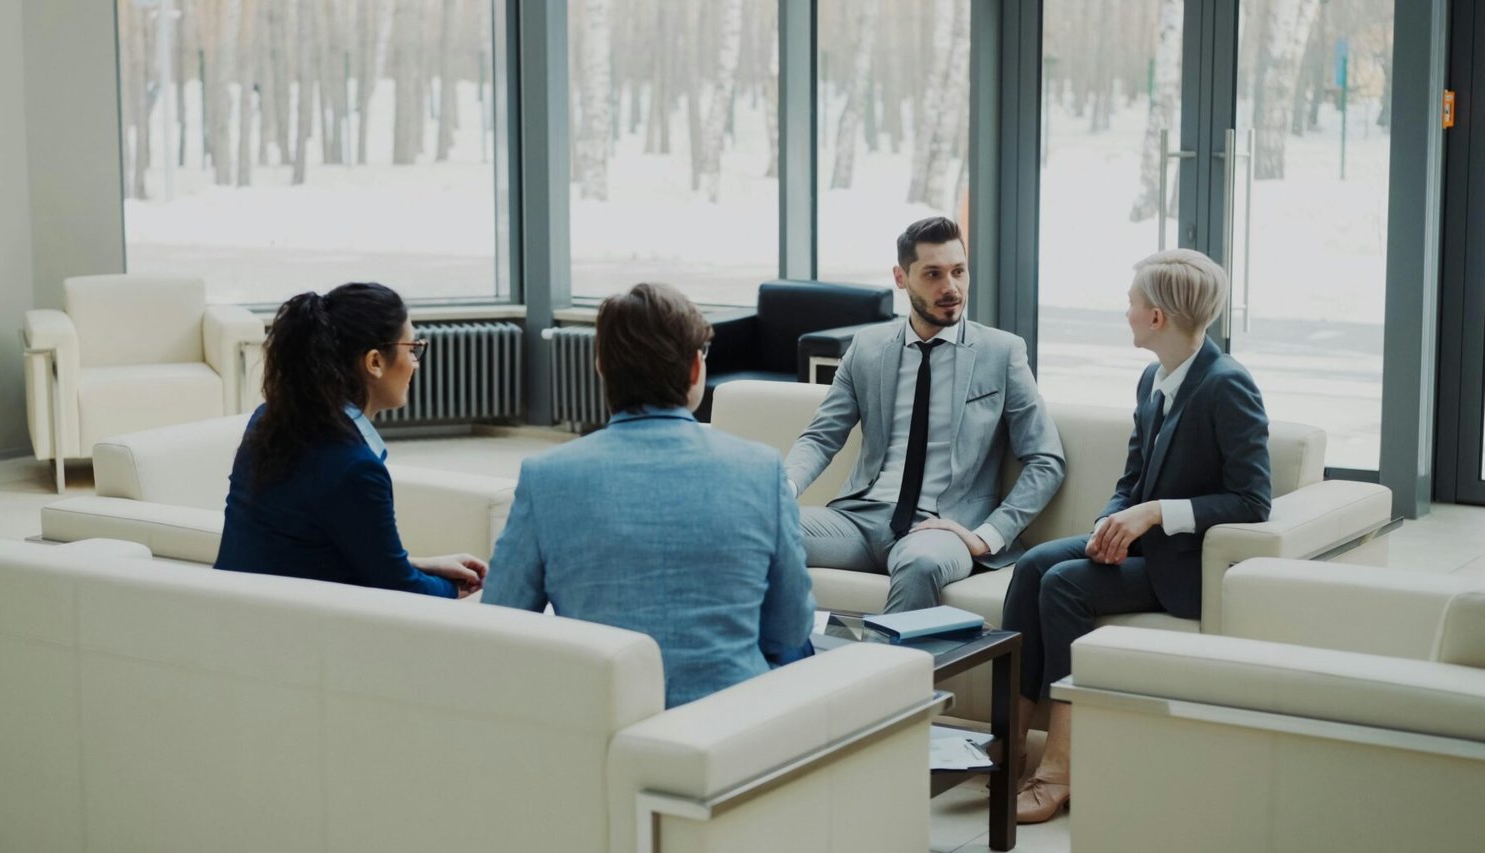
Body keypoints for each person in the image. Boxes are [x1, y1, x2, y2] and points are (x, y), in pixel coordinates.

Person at [1001, 248, 1272, 823]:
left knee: (1065, 585)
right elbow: (1131, 478)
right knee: (1030, 568)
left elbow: (1253, 500)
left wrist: (1153, 515)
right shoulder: (1155, 375)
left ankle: (1061, 768)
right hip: (1142, 548)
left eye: (1131, 303)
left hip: (1184, 566)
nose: (1125, 313)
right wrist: (1111, 520)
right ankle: (1010, 749)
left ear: (1157, 318)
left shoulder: (1228, 385)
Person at [484, 282, 815, 708]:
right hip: (733, 730)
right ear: (696, 371)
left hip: (603, 725)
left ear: (601, 367)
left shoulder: (545, 476)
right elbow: (789, 629)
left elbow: (502, 622)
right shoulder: (761, 470)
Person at [787, 216, 1065, 613]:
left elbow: (1046, 459)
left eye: (958, 272)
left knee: (921, 563)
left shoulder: (1001, 353)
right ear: (901, 278)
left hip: (943, 527)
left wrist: (989, 535)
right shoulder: (867, 349)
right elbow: (820, 437)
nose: (950, 288)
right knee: (764, 527)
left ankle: (892, 674)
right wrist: (784, 489)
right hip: (859, 519)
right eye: (933, 274)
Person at [215, 282, 487, 598]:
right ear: (374, 362)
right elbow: (400, 589)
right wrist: (461, 589)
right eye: (411, 348)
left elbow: (306, 549)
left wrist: (425, 565)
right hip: (302, 631)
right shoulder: (355, 468)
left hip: (236, 615)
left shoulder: (269, 419)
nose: (415, 362)